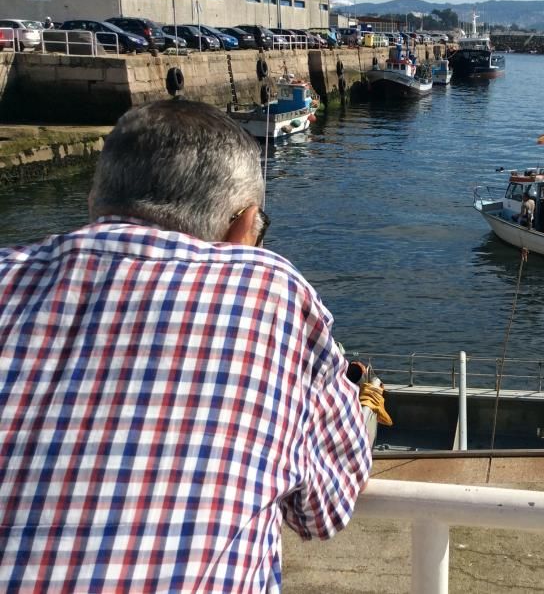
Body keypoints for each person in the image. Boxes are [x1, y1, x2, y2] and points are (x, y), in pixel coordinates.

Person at [0, 99, 372, 591]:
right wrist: (359, 404)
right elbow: (323, 511)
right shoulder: (270, 288)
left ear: (96, 200)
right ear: (244, 223)